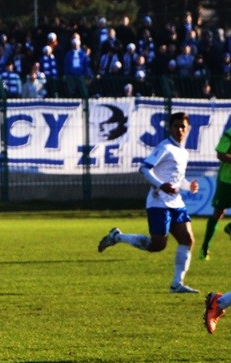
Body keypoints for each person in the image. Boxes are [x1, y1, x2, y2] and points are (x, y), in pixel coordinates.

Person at [97, 112, 200, 294]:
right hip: (159, 202)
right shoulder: (165, 147)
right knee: (158, 245)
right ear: (170, 128)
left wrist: (187, 185)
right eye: (176, 126)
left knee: (188, 239)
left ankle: (177, 284)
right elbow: (144, 168)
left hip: (176, 203)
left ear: (188, 128)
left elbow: (176, 179)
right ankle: (118, 237)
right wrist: (161, 185)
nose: (180, 130)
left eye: (183, 126)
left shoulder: (183, 152)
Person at [199, 126, 231, 260]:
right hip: (227, 180)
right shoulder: (230, 133)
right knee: (218, 212)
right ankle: (205, 246)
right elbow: (220, 154)